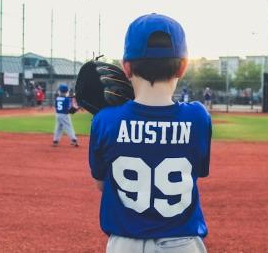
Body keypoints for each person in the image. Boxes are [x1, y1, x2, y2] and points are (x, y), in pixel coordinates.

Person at [89, 14, 211, 253]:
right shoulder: (198, 117)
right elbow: (198, 172)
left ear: (126, 67)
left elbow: (102, 184)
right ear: (183, 66)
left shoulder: (105, 120)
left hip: (125, 244)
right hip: (183, 244)